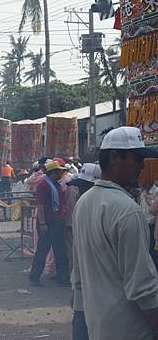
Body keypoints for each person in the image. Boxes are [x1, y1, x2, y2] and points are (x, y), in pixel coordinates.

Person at [72, 126, 158, 340]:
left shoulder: (84, 202)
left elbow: (78, 276)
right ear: (114, 158)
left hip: (99, 327)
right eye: (136, 158)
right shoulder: (127, 210)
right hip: (131, 329)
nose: (141, 165)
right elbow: (142, 287)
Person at [67, 163, 102, 340]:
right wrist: (74, 285)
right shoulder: (81, 206)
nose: (80, 191)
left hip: (99, 286)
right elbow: (77, 249)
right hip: (84, 282)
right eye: (79, 187)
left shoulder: (105, 206)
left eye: (84, 186)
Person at [29, 160, 70, 287]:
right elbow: (40, 205)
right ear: (54, 172)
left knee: (60, 251)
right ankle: (35, 276)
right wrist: (42, 223)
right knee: (43, 250)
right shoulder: (44, 185)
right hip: (48, 222)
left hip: (56, 220)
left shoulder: (54, 184)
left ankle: (62, 277)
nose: (62, 173)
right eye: (60, 171)